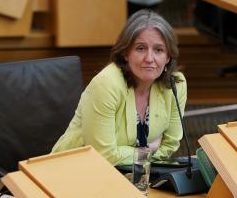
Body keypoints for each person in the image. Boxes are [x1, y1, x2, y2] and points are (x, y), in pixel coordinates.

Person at [52, 9, 187, 166]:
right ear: (125, 53)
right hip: (73, 170)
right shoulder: (106, 85)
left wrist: (134, 155)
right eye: (140, 48)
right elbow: (103, 156)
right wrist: (151, 148)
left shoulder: (175, 85)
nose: (149, 58)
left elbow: (170, 146)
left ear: (168, 57)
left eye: (158, 50)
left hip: (132, 176)